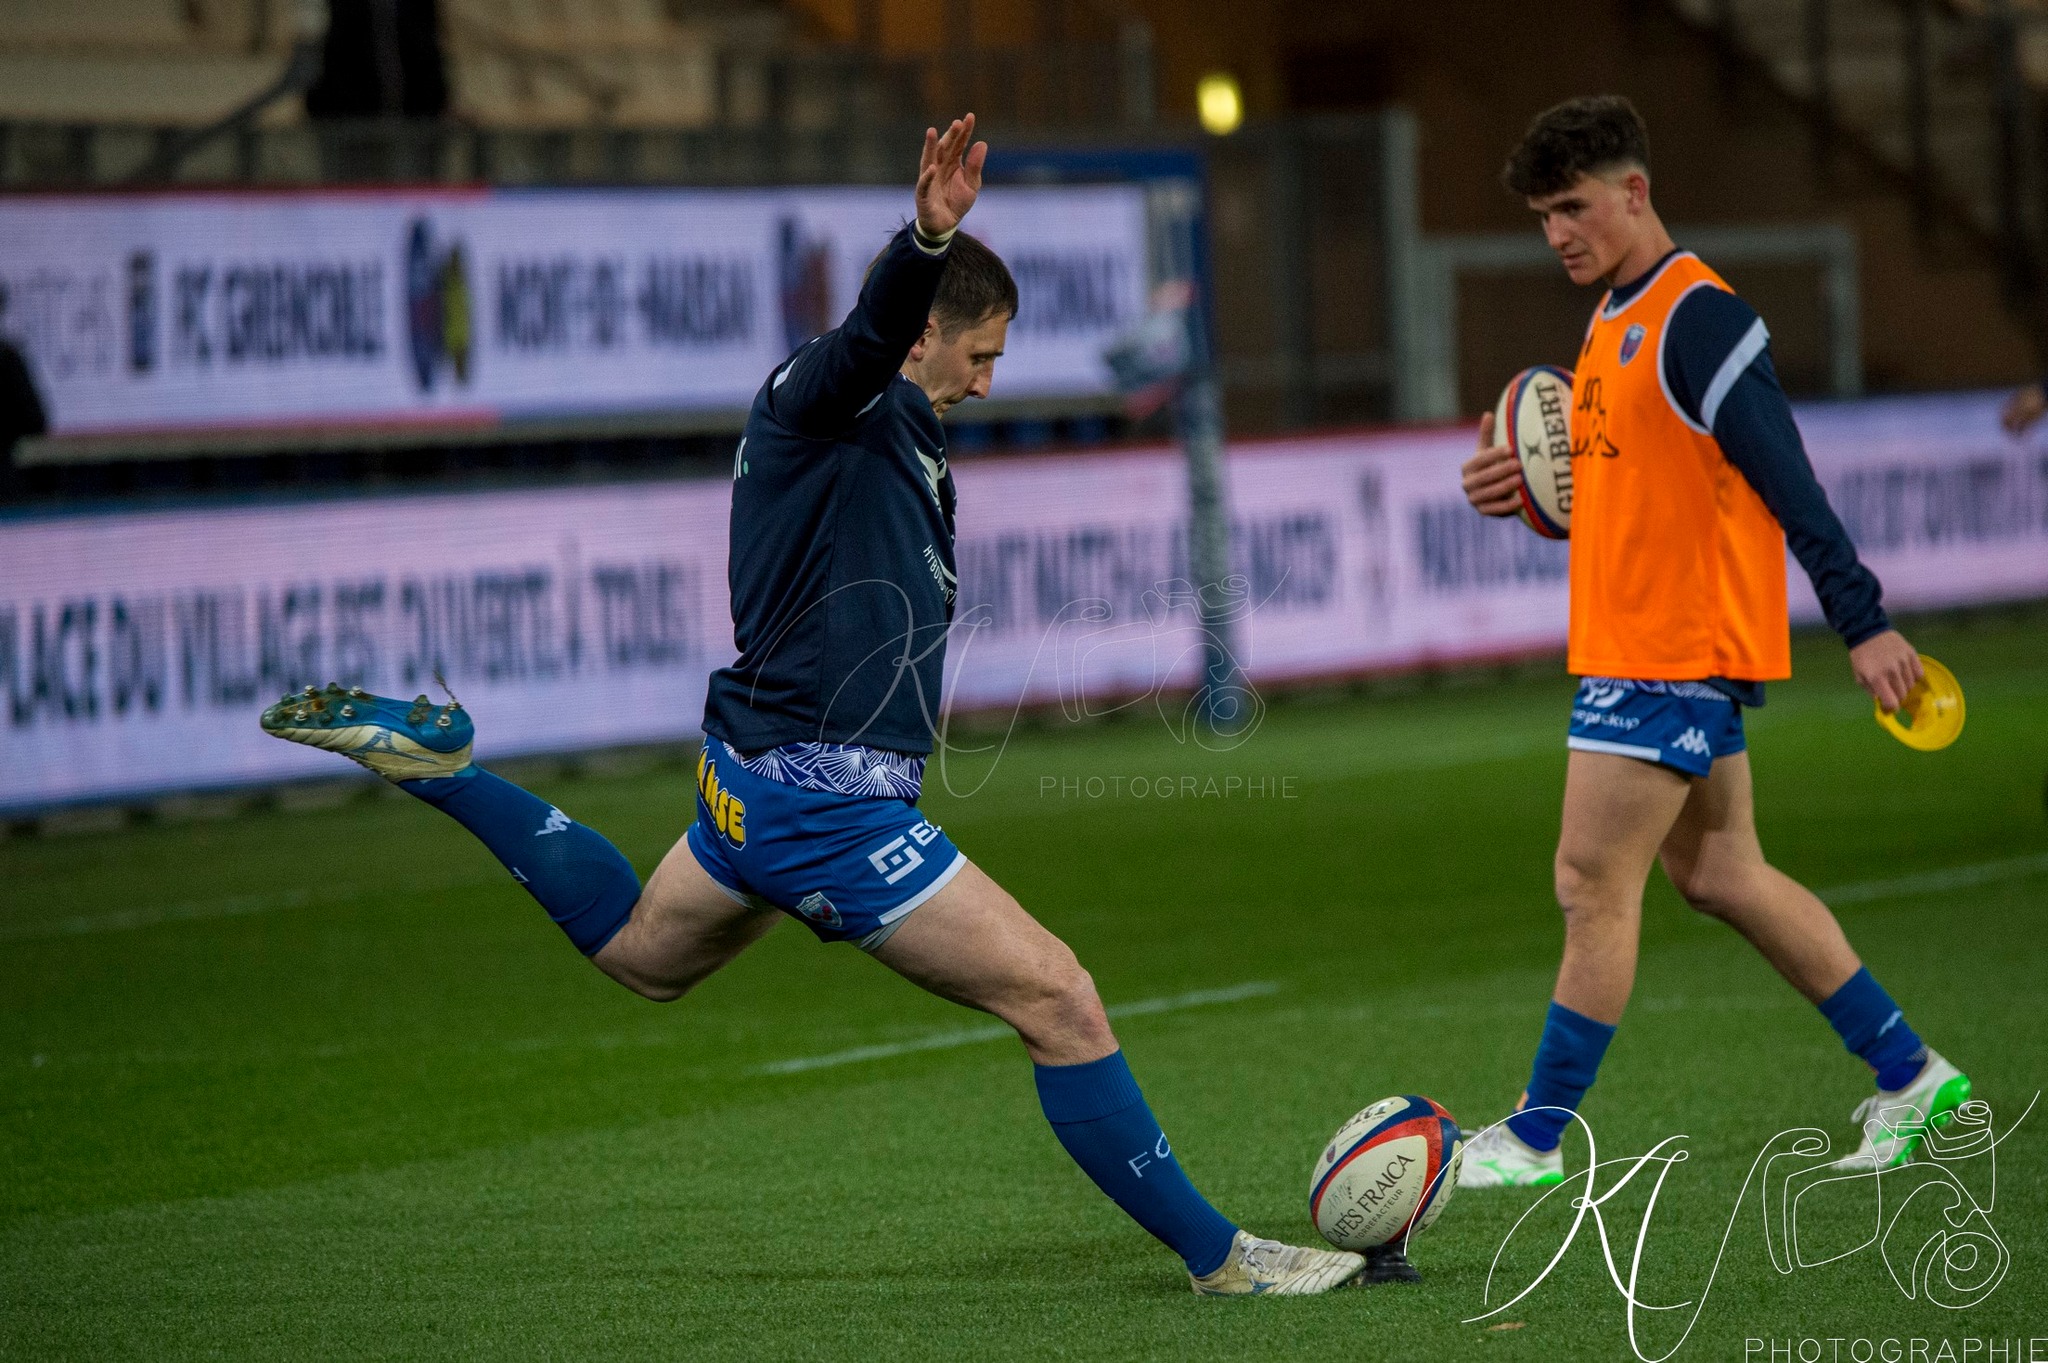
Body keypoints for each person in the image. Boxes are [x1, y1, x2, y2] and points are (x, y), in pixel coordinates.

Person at [261, 115, 1364, 1296]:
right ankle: (1221, 1258)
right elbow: (866, 337)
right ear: (923, 332)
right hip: (822, 799)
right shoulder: (833, 395)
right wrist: (926, 237)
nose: (988, 380)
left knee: (642, 956)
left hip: (753, 773)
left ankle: (452, 772)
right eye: (977, 352)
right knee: (1058, 996)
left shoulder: (888, 429)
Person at [1455, 96, 1971, 1188]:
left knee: (1588, 880)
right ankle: (1911, 1077)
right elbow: (1633, 493)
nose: (1556, 233)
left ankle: (1534, 1137)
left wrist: (1863, 619)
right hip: (1644, 644)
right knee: (1722, 873)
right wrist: (1528, 498)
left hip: (1668, 651)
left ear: (1633, 193)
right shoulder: (1607, 318)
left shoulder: (1698, 317)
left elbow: (1786, 479)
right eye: (1542, 215)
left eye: (1572, 207)